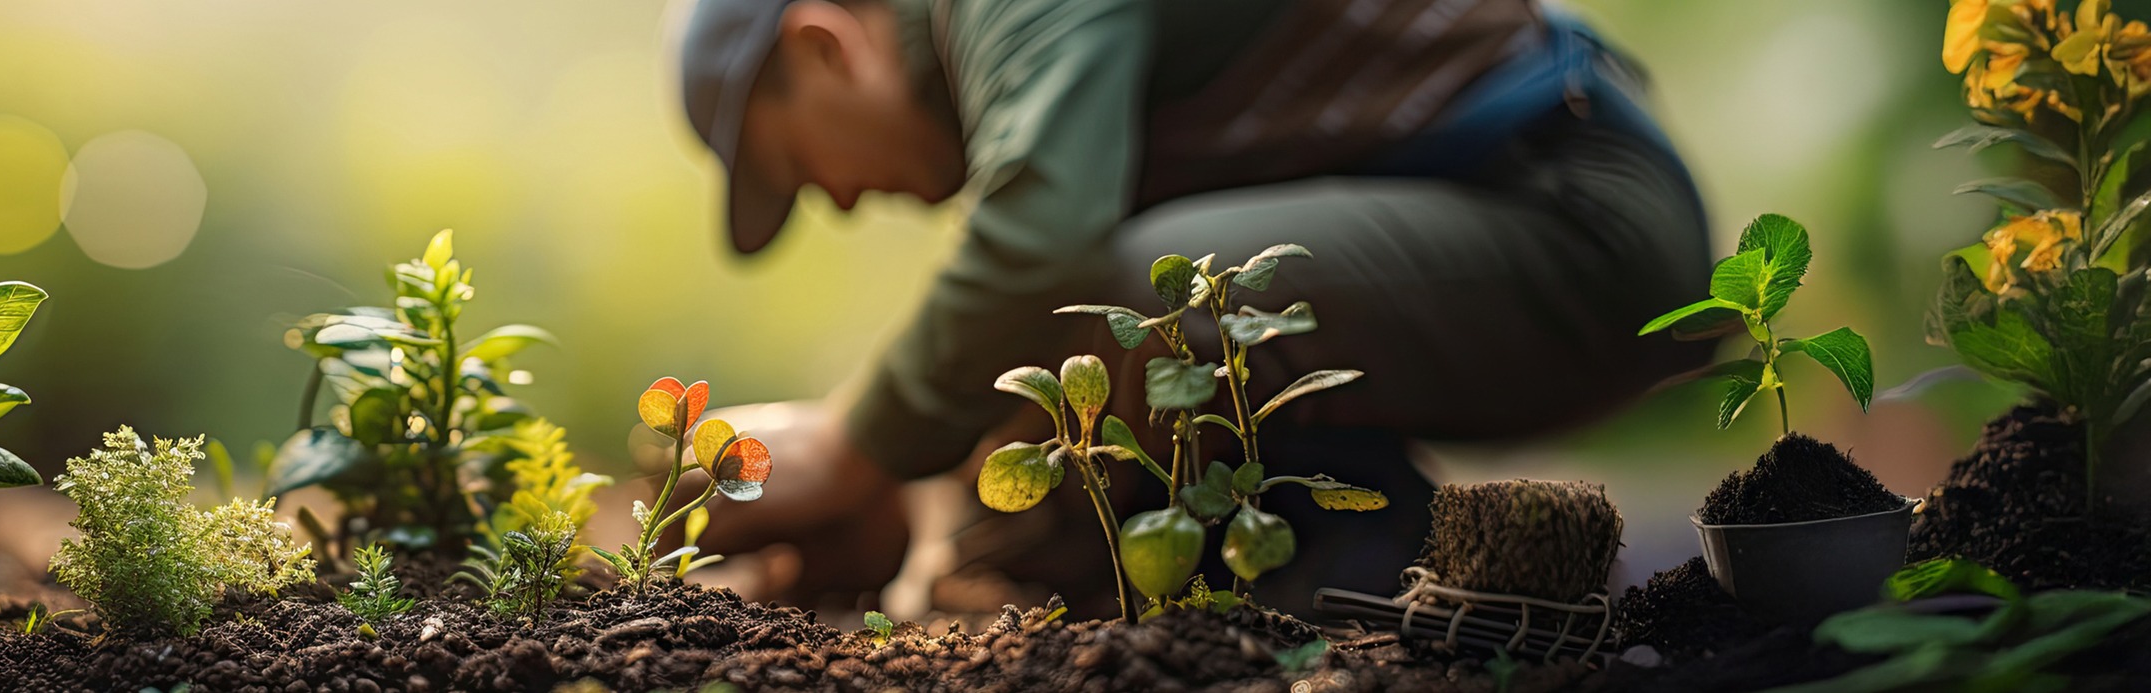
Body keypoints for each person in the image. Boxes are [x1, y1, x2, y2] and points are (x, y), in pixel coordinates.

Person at [667, 0, 1713, 617]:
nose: (841, 204)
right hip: (1481, 211)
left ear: (822, 46)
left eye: (805, 168)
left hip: (1565, 201)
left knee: (1163, 297)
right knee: (1136, 305)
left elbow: (1045, 245)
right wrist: (912, 501)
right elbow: (1030, 295)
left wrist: (854, 444)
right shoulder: (1013, 71)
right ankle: (1378, 561)